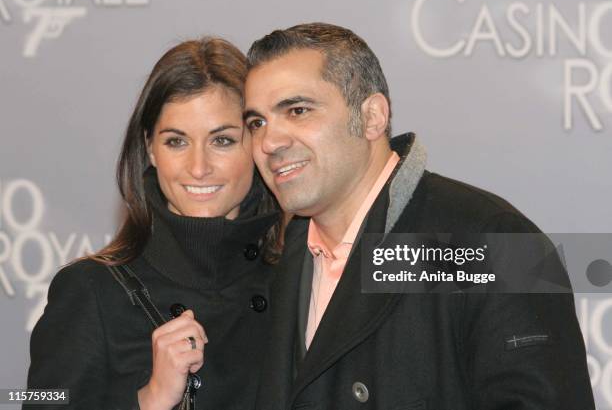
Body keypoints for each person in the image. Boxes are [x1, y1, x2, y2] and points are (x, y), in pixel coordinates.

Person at [243, 23, 595, 410]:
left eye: (297, 110)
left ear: (373, 117)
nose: (269, 142)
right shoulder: (281, 258)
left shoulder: (495, 243)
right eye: (256, 122)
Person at [26, 37, 281, 410]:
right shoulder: (90, 290)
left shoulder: (299, 278)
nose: (198, 167)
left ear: (258, 142)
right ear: (149, 149)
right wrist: (150, 399)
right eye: (177, 142)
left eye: (222, 141)